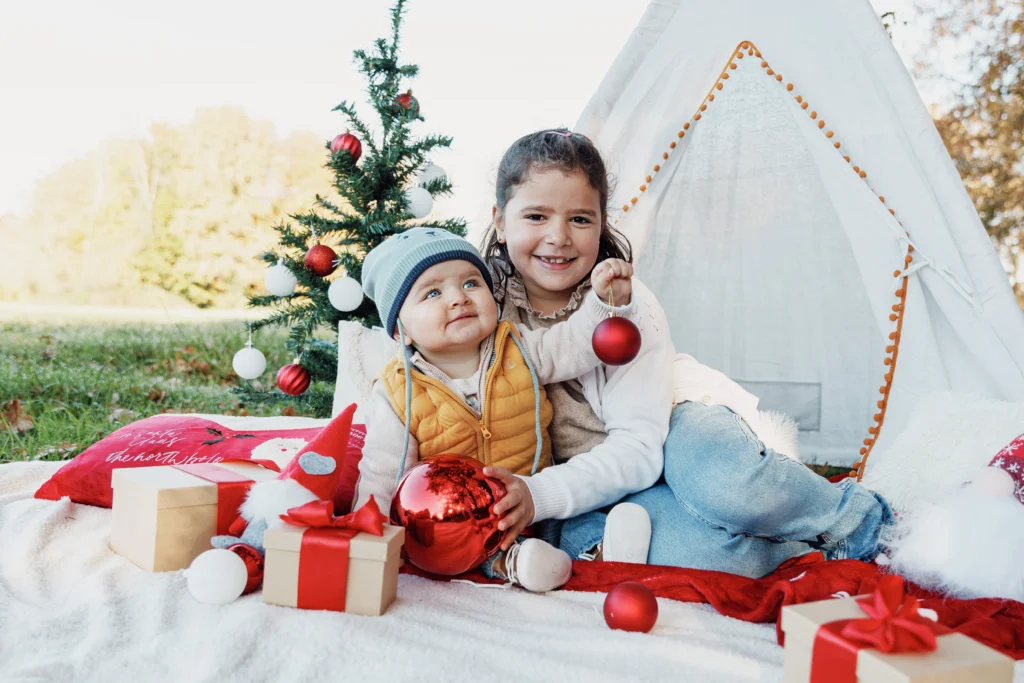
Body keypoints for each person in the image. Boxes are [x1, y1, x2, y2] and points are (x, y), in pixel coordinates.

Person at [480, 129, 893, 578]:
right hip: (596, 482)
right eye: (536, 216)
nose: (558, 237)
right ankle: (797, 550)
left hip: (673, 427)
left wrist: (540, 494)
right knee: (711, 560)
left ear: (601, 224)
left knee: (729, 487)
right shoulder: (481, 311)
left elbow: (639, 447)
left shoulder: (622, 305)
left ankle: (866, 522)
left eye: (580, 219)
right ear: (500, 221)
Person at [352, 227, 638, 591]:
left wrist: (603, 301)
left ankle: (601, 548)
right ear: (400, 331)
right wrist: (369, 540)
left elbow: (575, 344)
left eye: (471, 283)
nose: (458, 298)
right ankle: (514, 563)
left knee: (577, 519)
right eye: (434, 292)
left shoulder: (518, 347)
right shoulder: (398, 392)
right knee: (458, 549)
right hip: (457, 523)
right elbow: (381, 473)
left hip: (532, 495)